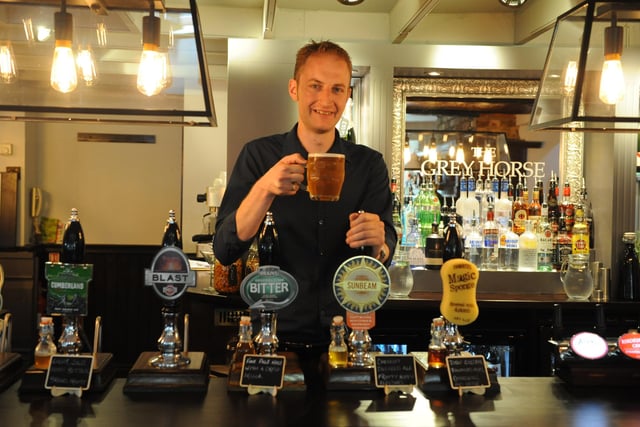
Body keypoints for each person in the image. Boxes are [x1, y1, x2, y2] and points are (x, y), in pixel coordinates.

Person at [213, 40, 397, 387]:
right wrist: (265, 187)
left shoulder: (369, 164)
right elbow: (225, 248)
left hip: (346, 342)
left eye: (337, 89)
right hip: (272, 342)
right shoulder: (259, 156)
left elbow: (384, 249)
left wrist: (380, 243)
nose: (326, 100)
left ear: (348, 95)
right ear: (294, 89)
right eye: (315, 86)